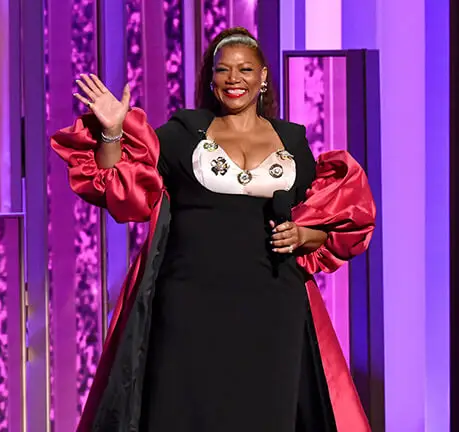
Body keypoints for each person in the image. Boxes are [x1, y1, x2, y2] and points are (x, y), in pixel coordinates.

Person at [53, 27, 376, 432]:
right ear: (211, 80)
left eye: (244, 69)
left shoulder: (293, 141)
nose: (233, 78)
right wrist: (112, 131)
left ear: (263, 78)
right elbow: (119, 189)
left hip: (274, 306)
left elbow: (331, 227)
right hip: (191, 304)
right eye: (223, 70)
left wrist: (304, 236)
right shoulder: (182, 134)